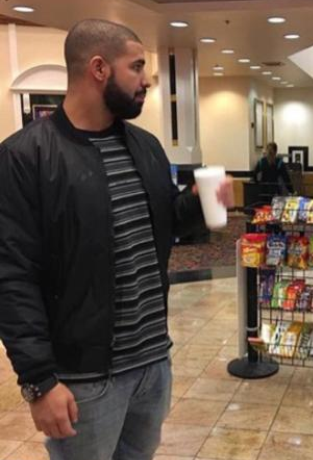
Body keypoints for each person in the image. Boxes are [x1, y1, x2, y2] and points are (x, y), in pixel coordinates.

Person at [0, 19, 234, 460]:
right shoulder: (24, 157)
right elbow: (11, 277)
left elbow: (160, 224)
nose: (147, 80)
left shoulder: (145, 146)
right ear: (98, 68)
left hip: (152, 363)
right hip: (84, 380)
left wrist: (196, 203)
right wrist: (39, 381)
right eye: (137, 66)